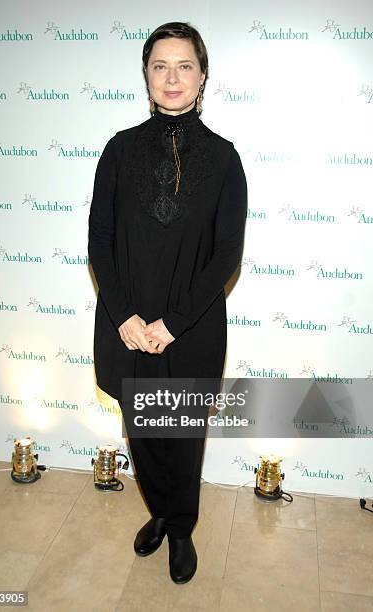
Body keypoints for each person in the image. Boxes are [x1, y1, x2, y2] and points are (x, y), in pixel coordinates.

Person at [88, 21, 247, 584]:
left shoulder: (225, 159)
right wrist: (125, 316)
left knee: (181, 438)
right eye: (161, 66)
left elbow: (227, 251)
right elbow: (99, 241)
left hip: (191, 327)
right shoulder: (118, 149)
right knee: (143, 434)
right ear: (147, 77)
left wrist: (172, 325)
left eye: (184, 66)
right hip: (127, 325)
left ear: (203, 77)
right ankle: (159, 511)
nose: (172, 77)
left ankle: (180, 528)